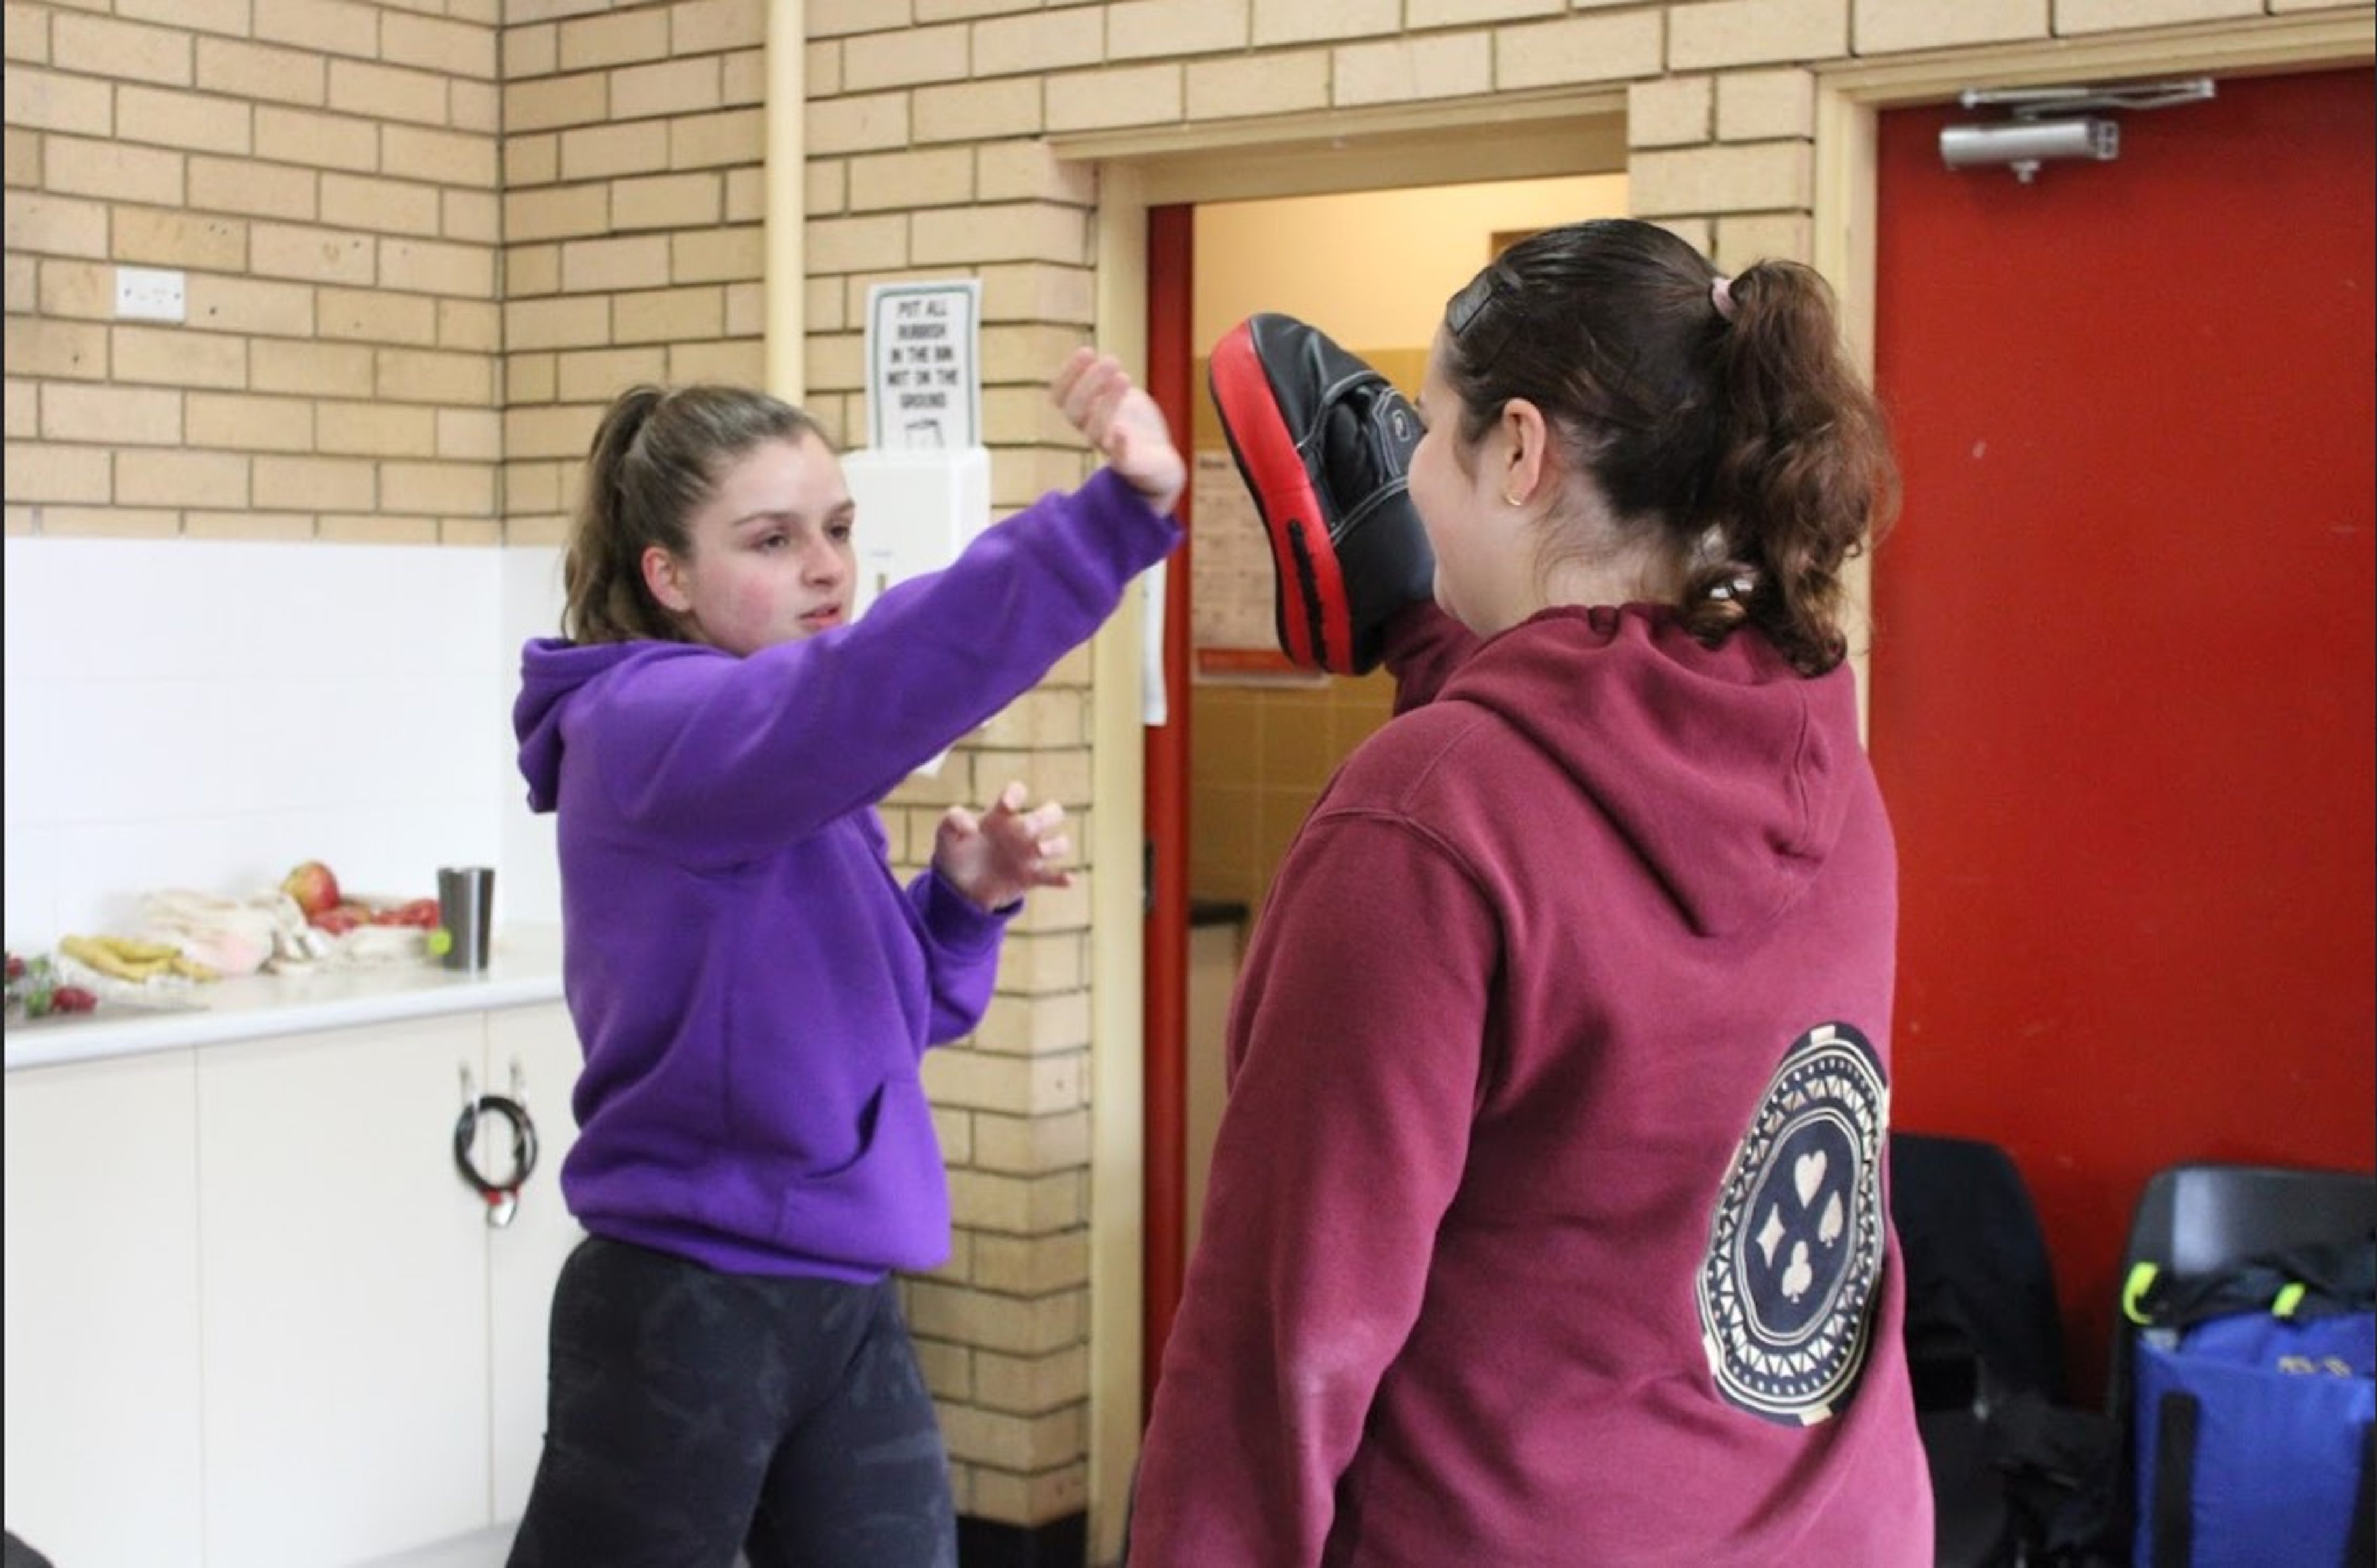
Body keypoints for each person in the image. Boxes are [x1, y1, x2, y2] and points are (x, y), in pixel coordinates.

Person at [1128, 218, 1932, 1564]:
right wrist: (1427, 630)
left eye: (1432, 442)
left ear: (1518, 448)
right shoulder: (1822, 759)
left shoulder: (1423, 817)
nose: (1416, 488)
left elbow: (1292, 1334)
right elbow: (1588, 796)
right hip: (1833, 1523)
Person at [506, 349, 1184, 1567]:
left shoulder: (761, 754)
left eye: (838, 527)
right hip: (692, 1300)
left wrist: (963, 905)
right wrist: (1108, 519)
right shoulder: (653, 727)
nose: (825, 567)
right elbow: (873, 683)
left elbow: (882, 1021)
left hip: (840, 1291)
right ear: (667, 575)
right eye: (769, 540)